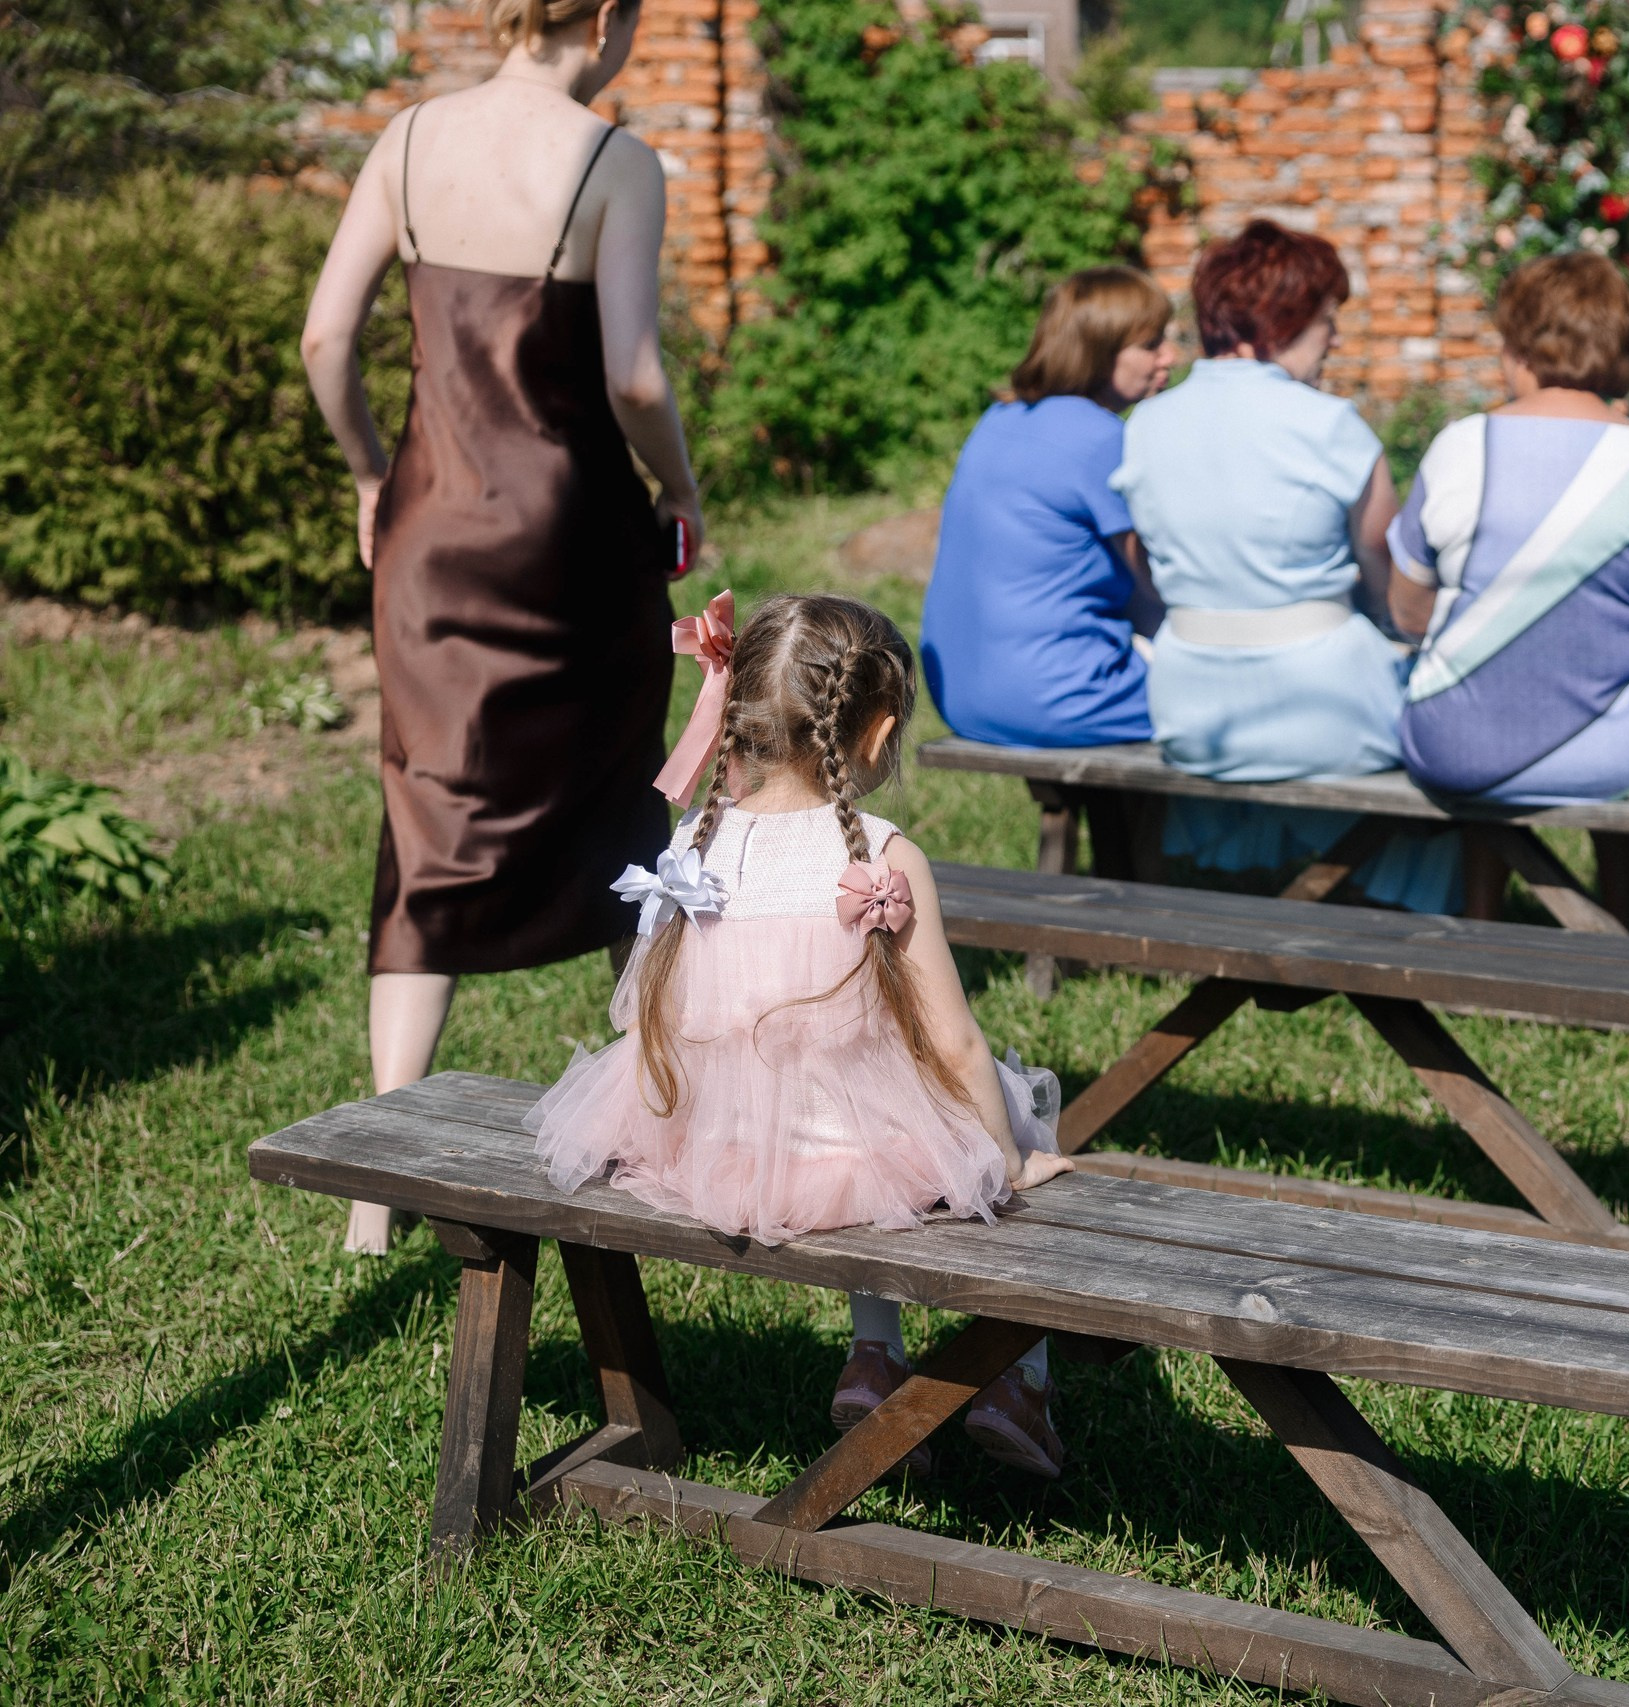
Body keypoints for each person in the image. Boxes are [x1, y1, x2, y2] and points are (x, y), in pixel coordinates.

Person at [301, 0, 705, 1255]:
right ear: (602, 19)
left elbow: (325, 334)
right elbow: (633, 373)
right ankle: (655, 1109)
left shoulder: (409, 139)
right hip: (568, 530)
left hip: (430, 527)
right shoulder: (611, 159)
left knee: (427, 810)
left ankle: (376, 1191)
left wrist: (373, 470)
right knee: (620, 795)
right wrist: (681, 487)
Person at [529, 595, 1078, 1477]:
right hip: (846, 1148)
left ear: (740, 717)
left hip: (715, 1141)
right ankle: (1021, 1379)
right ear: (878, 733)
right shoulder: (883, 858)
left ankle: (873, 1357)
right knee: (1016, 1112)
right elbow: (957, 1044)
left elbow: (664, 1007)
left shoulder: (696, 842)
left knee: (863, 1112)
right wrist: (1008, 1160)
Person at [1111, 221, 1456, 904]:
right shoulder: (1332, 425)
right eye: (1327, 320)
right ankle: (1395, 906)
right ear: (1282, 320)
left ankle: (1273, 880)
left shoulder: (1147, 424)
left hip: (1192, 709)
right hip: (1328, 707)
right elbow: (1387, 577)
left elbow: (1143, 563)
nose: (1334, 338)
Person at [1390, 253, 1629, 805]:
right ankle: (1617, 892)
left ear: (1518, 348)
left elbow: (1407, 614)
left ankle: (1481, 897)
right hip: (1628, 756)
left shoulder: (1457, 448)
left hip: (1460, 749)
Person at [920, 267, 1178, 748]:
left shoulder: (999, 418)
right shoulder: (1102, 437)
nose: (1170, 355)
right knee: (1251, 698)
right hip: (1062, 698)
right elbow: (1162, 577)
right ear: (1100, 351)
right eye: (1151, 344)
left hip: (961, 696)